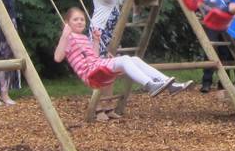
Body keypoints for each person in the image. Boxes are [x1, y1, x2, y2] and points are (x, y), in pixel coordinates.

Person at [55, 6, 190, 95]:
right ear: (67, 22)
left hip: (96, 66)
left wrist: (96, 41)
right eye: (75, 20)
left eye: (82, 20)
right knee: (125, 59)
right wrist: (64, 35)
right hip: (91, 74)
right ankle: (149, 85)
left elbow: (93, 56)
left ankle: (170, 84)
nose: (80, 22)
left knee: (135, 59)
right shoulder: (68, 38)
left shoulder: (83, 37)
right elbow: (58, 57)